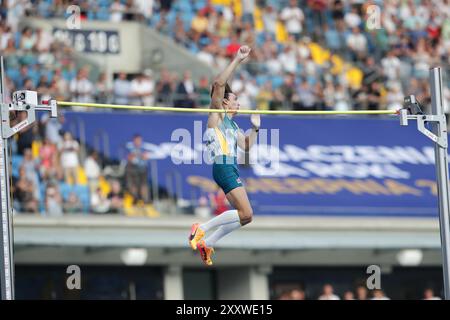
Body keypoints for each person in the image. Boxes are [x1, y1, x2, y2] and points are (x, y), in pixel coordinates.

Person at [188, 46, 260, 266]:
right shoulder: (217, 115)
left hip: (230, 167)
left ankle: (207, 243)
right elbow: (219, 84)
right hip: (223, 165)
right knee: (246, 211)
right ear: (225, 102)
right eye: (235, 99)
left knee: (246, 217)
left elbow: (246, 146)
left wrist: (255, 129)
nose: (238, 103)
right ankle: (201, 229)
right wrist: (237, 59)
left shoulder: (233, 125)